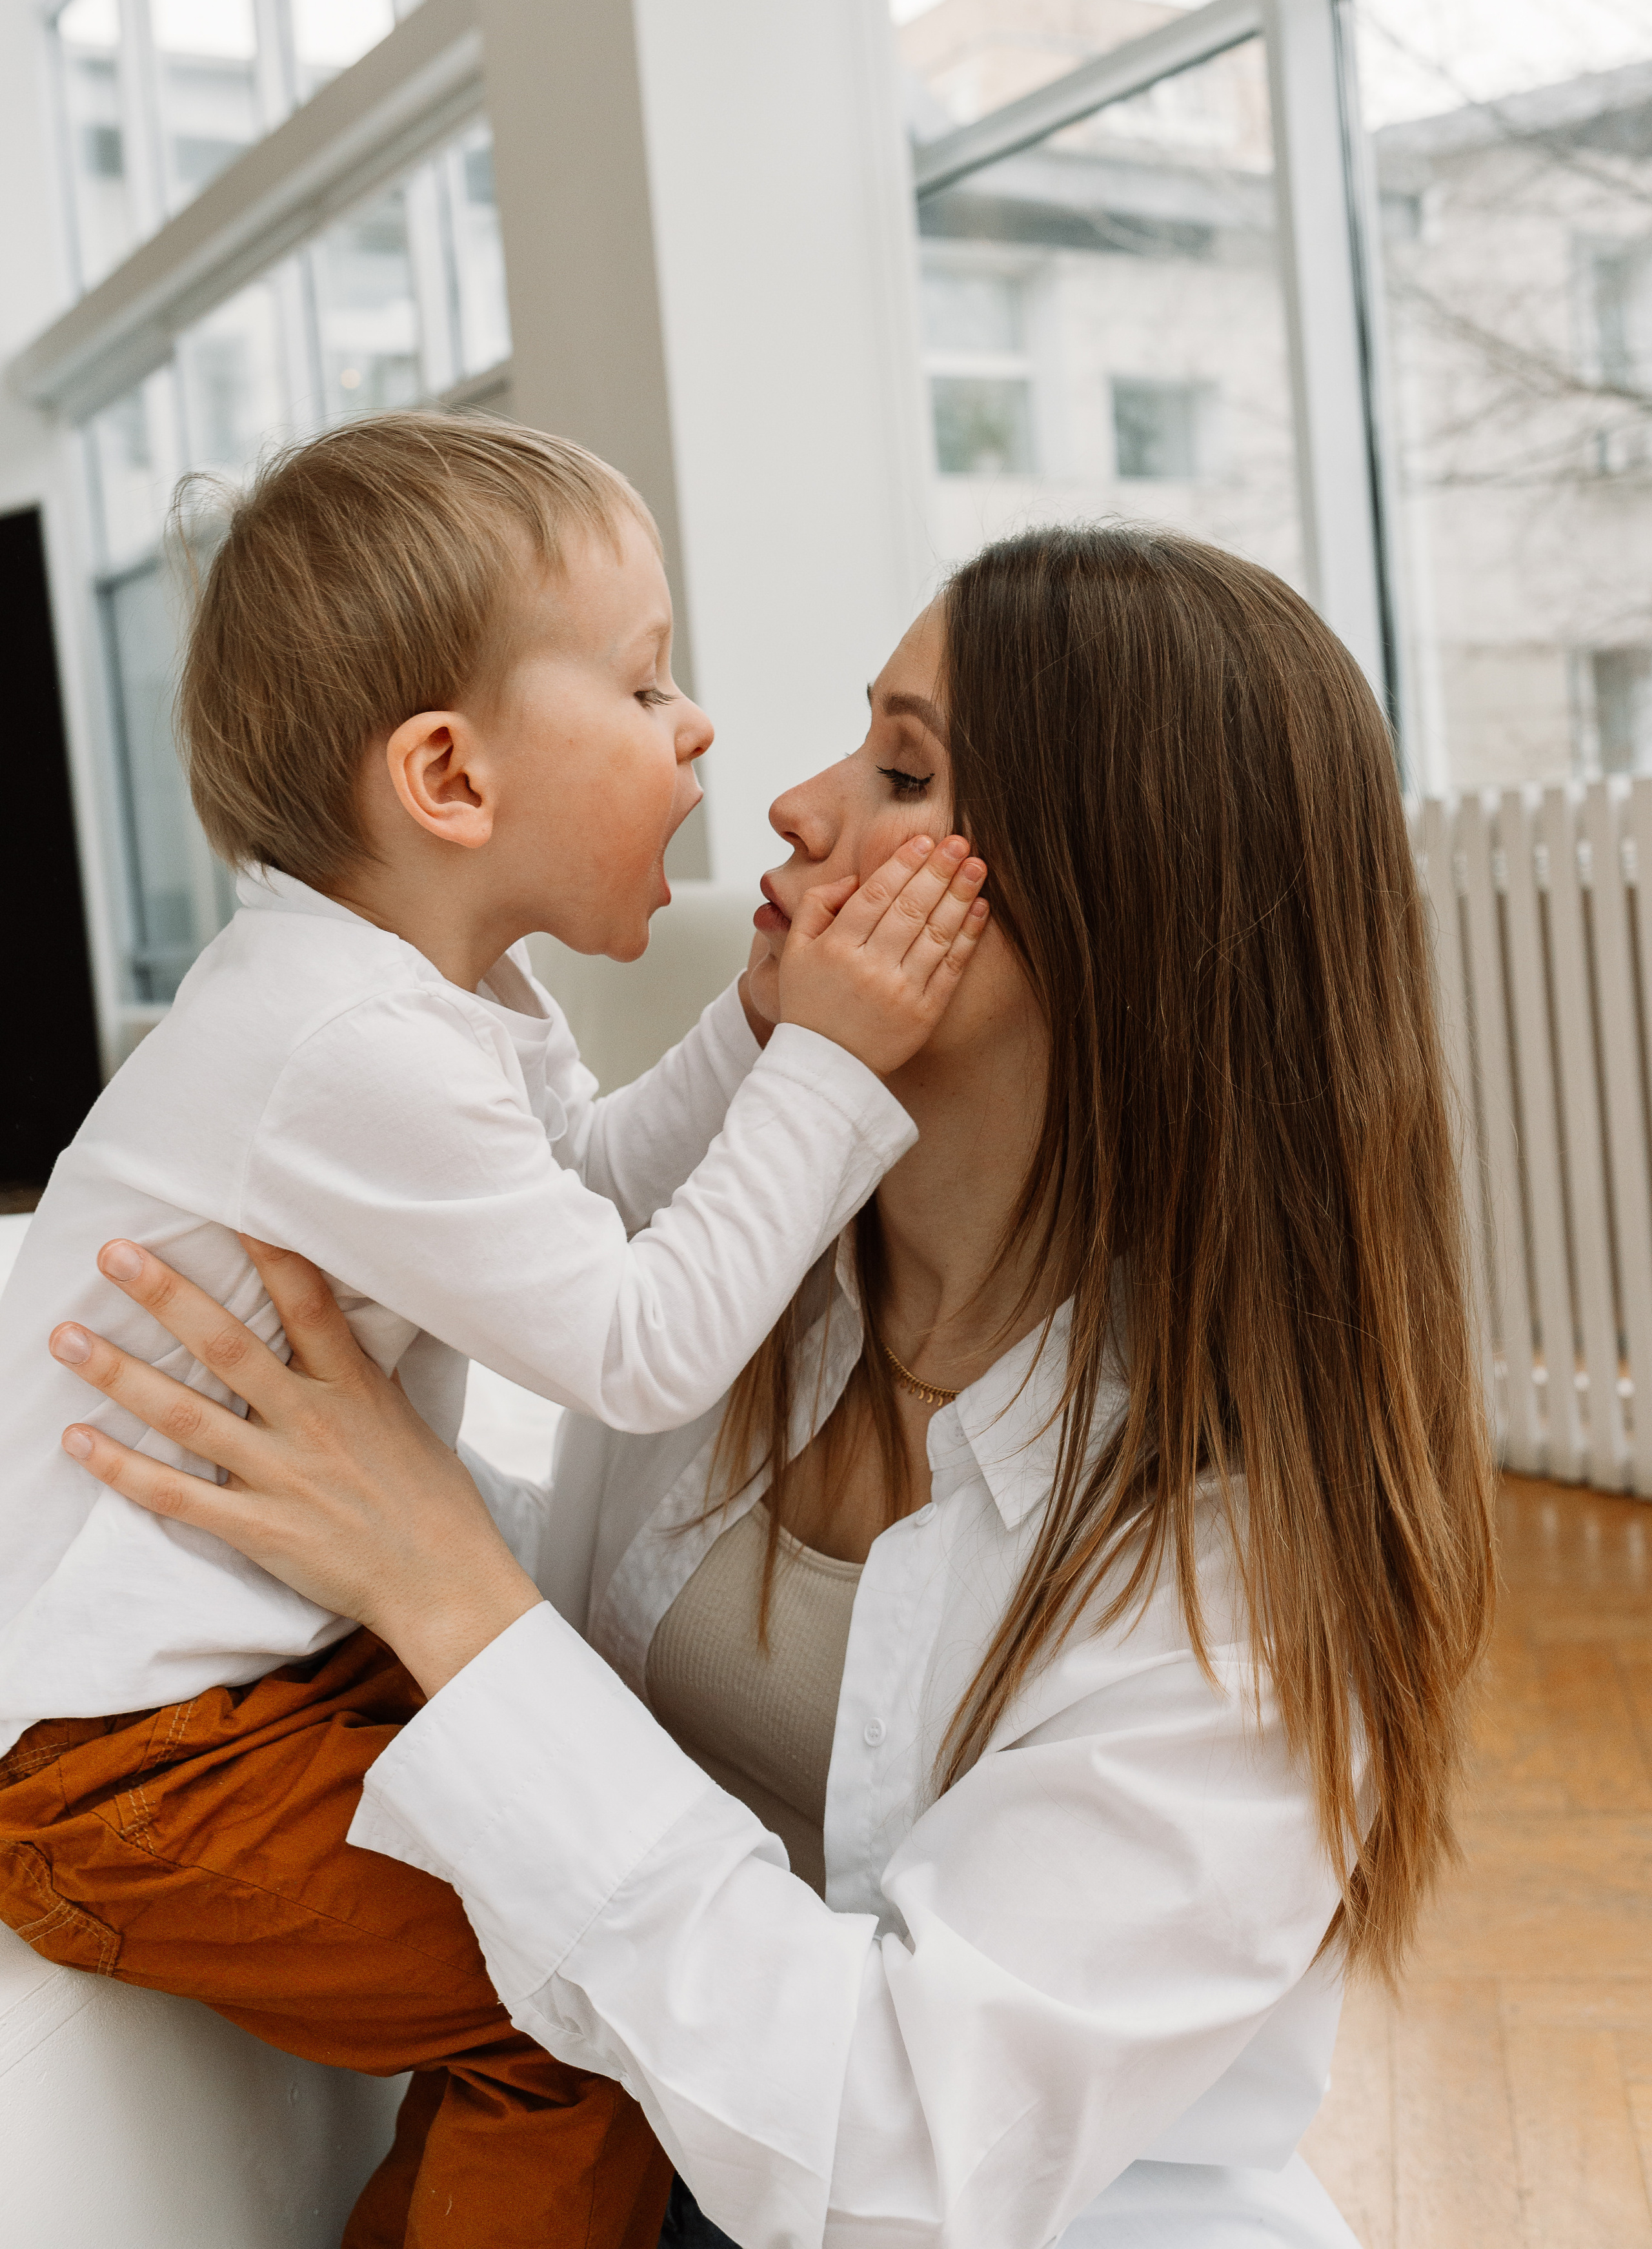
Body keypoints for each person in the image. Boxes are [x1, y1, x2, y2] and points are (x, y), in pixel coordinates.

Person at [48, 522, 1496, 2249]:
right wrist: (302, 1499)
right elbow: (589, 1323)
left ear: (1115, 911)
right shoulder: (758, 1296)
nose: (793, 804)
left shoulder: (1241, 1588)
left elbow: (889, 2162)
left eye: (900, 767)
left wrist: (443, 1582)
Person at [0, 409, 989, 2249]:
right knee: (590, 2023)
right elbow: (632, 1344)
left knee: (619, 1883)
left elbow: (594, 1196)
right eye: (643, 681)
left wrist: (764, 1029)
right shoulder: (344, 1043)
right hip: (132, 1762)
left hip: (259, 1692)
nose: (702, 729)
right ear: (450, 776)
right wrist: (839, 1066)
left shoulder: (440, 1001)